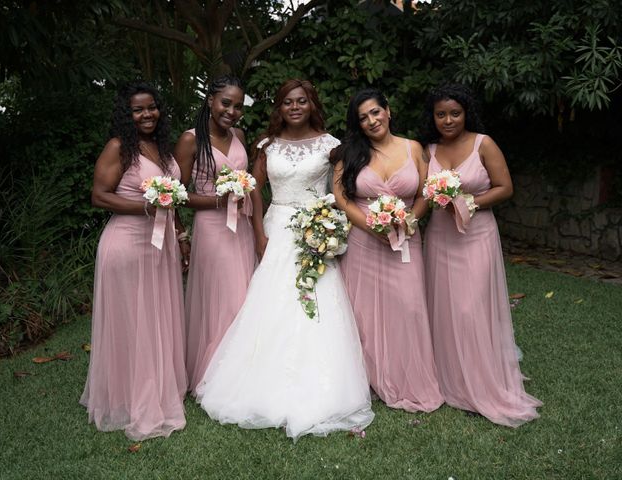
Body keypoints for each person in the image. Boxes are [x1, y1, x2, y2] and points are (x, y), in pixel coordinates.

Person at [196, 79, 374, 441]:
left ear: (312, 105)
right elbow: (255, 188)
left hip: (316, 227)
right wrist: (260, 233)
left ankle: (320, 385)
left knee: (318, 302)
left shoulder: (331, 145)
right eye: (288, 102)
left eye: (302, 101)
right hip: (276, 228)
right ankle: (261, 381)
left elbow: (339, 192)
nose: (295, 107)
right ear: (280, 107)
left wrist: (331, 228)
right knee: (271, 302)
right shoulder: (266, 144)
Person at [420, 83, 541, 426]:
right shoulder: (427, 150)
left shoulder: (483, 143)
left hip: (476, 234)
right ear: (433, 116)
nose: (447, 120)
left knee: (471, 307)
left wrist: (469, 201)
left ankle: (480, 383)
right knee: (444, 306)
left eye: (454, 113)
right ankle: (450, 379)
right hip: (441, 236)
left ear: (466, 113)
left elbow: (505, 187)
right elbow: (421, 193)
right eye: (441, 114)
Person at [80, 82, 188, 440]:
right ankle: (128, 397)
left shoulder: (161, 147)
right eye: (138, 110)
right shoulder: (118, 148)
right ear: (126, 115)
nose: (147, 115)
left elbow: (172, 201)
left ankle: (158, 387)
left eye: (152, 107)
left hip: (160, 248)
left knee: (156, 316)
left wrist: (179, 235)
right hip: (126, 244)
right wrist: (148, 206)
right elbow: (99, 196)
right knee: (133, 321)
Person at [331, 89, 443, 412]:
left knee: (408, 307)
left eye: (376, 112)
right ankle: (368, 378)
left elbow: (425, 191)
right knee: (362, 310)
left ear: (388, 111)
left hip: (406, 238)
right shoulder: (349, 153)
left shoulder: (414, 148)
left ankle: (406, 377)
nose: (371, 121)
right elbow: (342, 199)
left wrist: (410, 220)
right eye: (363, 117)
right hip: (364, 241)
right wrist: (371, 227)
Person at [174, 75, 256, 393]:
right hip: (212, 228)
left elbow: (248, 179)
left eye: (238, 106)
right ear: (210, 100)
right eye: (226, 103)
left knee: (244, 295)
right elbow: (177, 194)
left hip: (243, 228)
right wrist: (216, 200)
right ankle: (215, 373)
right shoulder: (190, 140)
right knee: (222, 297)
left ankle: (242, 368)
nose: (232, 111)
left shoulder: (239, 134)